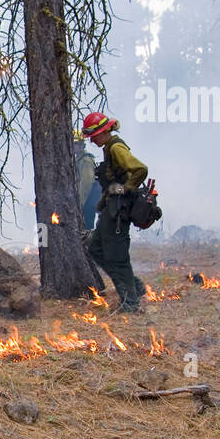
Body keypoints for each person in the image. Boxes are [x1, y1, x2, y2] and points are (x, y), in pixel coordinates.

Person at [81, 111, 148, 312]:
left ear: (102, 132)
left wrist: (123, 189)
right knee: (94, 247)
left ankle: (131, 303)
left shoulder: (116, 148)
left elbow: (140, 169)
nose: (91, 141)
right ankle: (134, 286)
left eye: (93, 136)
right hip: (110, 209)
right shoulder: (109, 148)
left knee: (117, 256)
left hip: (119, 211)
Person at [76, 134, 101, 230]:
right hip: (85, 200)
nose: (76, 147)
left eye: (78, 144)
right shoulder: (79, 160)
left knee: (86, 228)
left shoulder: (85, 161)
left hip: (87, 201)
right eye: (75, 144)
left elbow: (87, 182)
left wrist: (81, 201)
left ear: (82, 145)